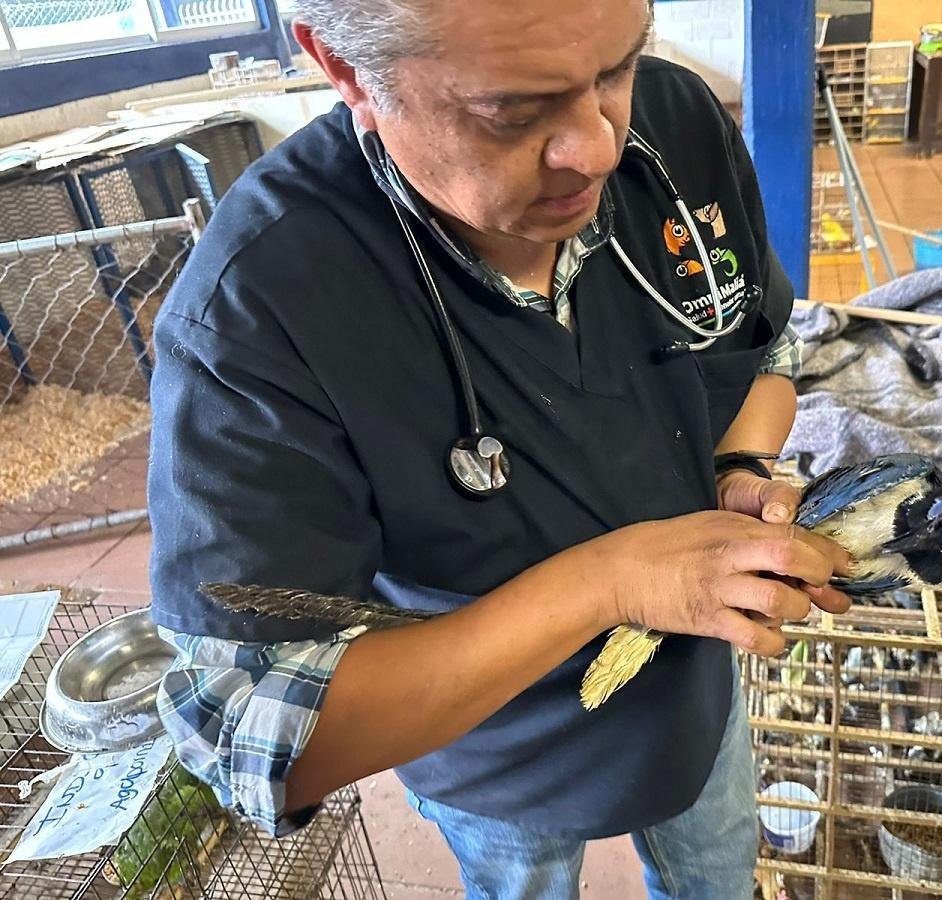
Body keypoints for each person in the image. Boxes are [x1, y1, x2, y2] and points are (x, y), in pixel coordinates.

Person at [147, 1, 853, 898]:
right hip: (495, 751)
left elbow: (761, 345)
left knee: (717, 868)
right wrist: (612, 581)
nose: (597, 146)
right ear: (348, 71)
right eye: (513, 111)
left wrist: (736, 467)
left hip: (695, 694)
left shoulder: (674, 126)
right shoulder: (262, 304)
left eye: (616, 67)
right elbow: (253, 732)